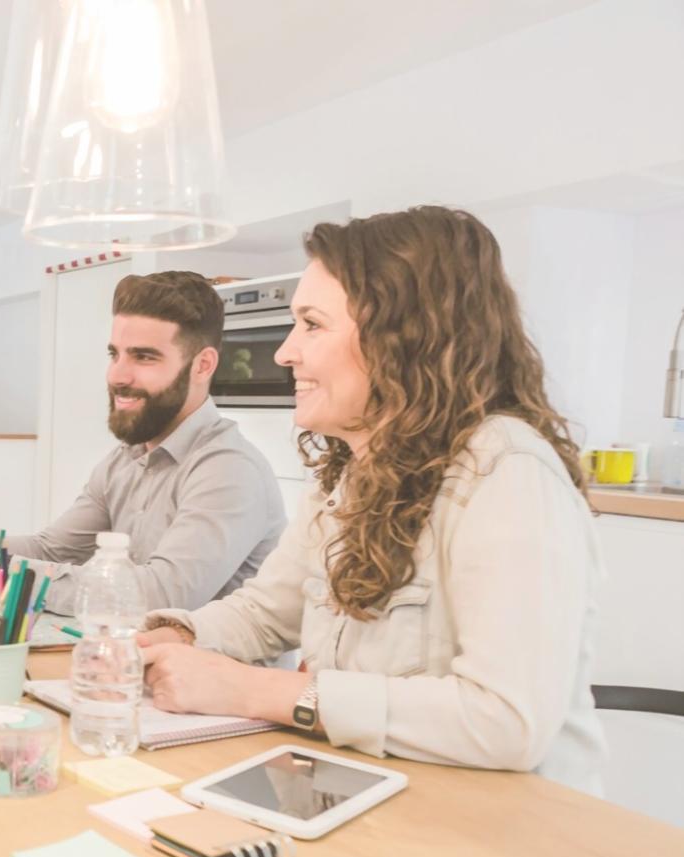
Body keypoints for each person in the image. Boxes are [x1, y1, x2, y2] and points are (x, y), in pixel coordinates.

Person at [138, 207, 605, 793]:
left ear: (403, 336)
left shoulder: (507, 473)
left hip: (514, 837)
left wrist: (260, 691)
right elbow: (265, 612)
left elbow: (506, 722)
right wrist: (168, 638)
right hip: (376, 794)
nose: (285, 353)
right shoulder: (351, 471)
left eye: (311, 324)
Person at [0, 270, 286, 614]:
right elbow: (49, 550)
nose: (117, 375)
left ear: (203, 365)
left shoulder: (229, 470)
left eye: (144, 357)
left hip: (206, 667)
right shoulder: (126, 459)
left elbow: (157, 597)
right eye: (114, 354)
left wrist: (7, 574)